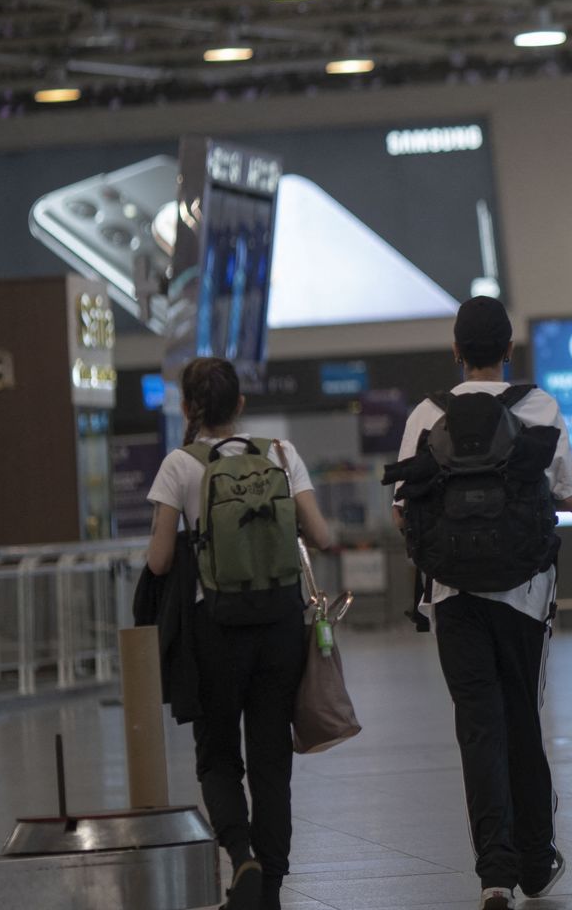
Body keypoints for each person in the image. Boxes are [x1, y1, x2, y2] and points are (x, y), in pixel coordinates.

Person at [394, 297, 572, 910]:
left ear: (456, 350)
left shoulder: (428, 414)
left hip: (452, 597)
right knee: (523, 721)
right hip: (524, 596)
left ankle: (494, 875)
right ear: (508, 350)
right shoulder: (540, 407)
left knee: (479, 727)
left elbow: (403, 509)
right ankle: (536, 860)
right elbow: (571, 497)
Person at [145, 357, 338, 910]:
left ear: (187, 409)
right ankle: (272, 888)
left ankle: (242, 856)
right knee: (272, 760)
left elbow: (159, 563)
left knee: (218, 757)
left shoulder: (180, 465)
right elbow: (322, 536)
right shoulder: (281, 454)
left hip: (215, 630)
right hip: (279, 624)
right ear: (242, 406)